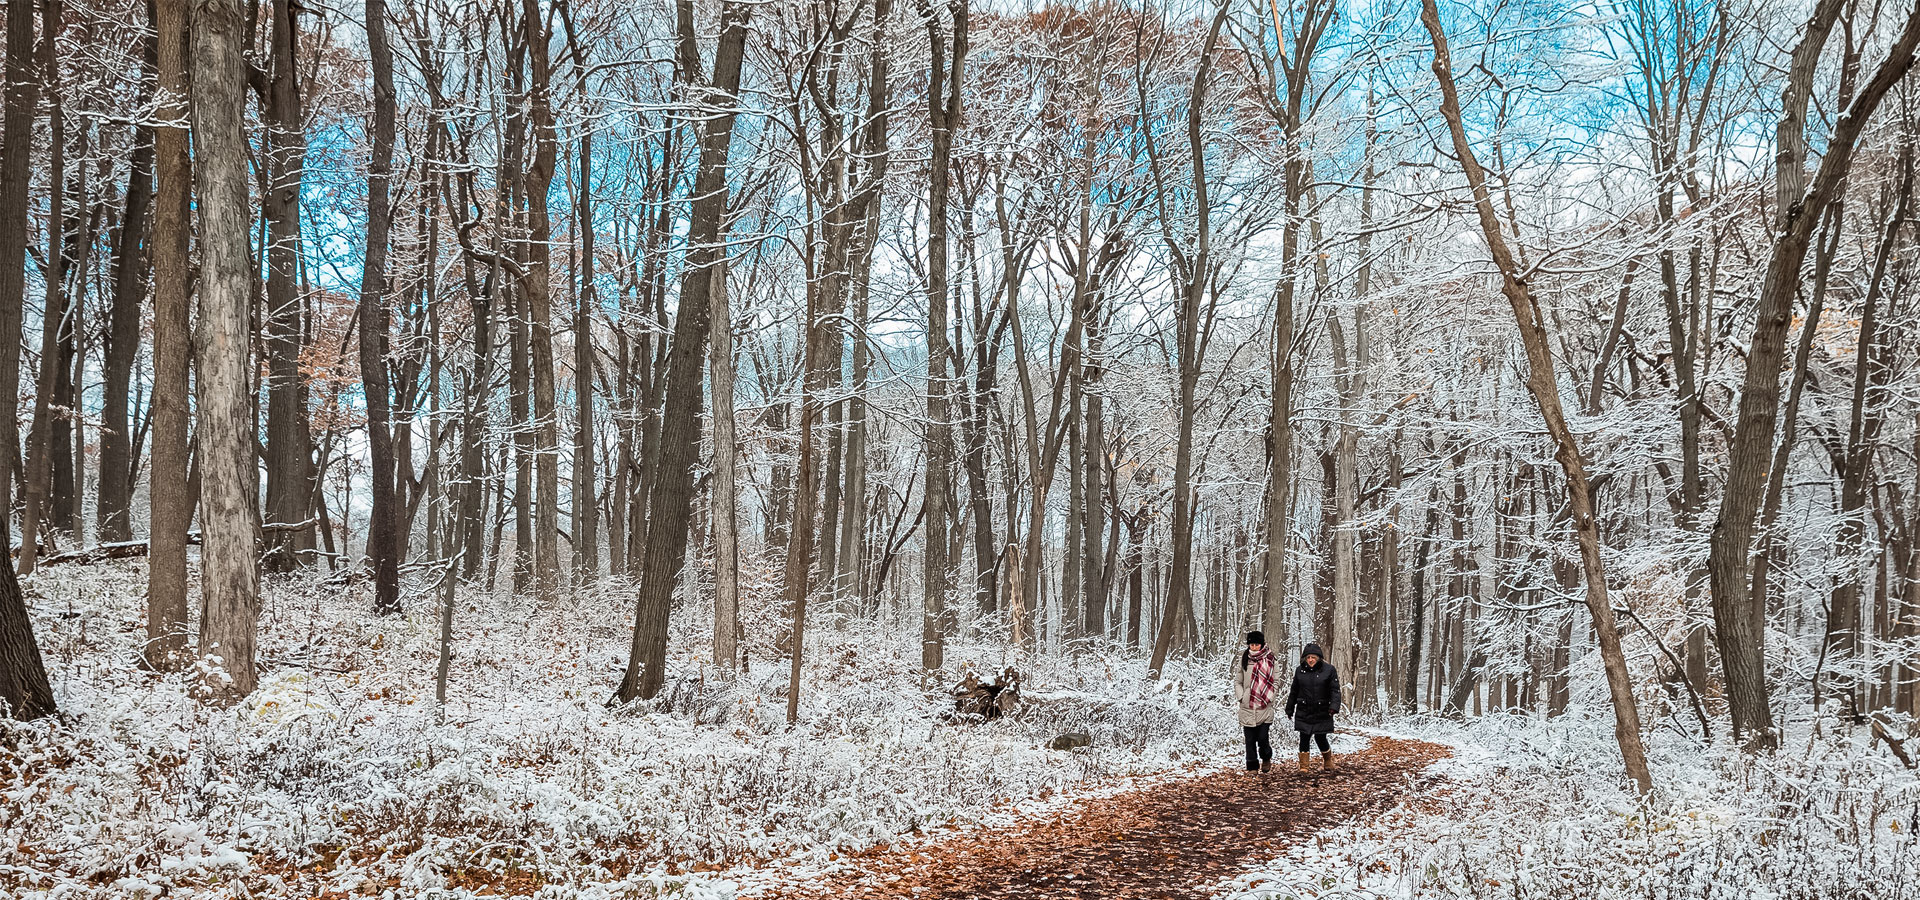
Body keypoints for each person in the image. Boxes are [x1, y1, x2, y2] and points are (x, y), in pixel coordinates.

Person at [1284, 642, 1341, 774]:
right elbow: (1294, 691)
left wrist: (1334, 707)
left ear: (1319, 658)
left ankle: (1328, 761)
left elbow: (1335, 690)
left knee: (1320, 737)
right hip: (1304, 709)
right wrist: (1289, 708)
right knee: (1304, 736)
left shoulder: (1329, 670)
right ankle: (1304, 766)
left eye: (1313, 657)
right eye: (1308, 657)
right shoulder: (1300, 670)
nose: (1310, 660)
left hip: (1322, 710)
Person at [1232, 631, 1278, 774]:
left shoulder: (1271, 659)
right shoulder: (1244, 659)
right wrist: (1241, 697)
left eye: (1256, 644)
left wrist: (1270, 697)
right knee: (1250, 739)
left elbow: (1276, 681)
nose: (1254, 647)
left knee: (1263, 738)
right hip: (1247, 706)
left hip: (1264, 706)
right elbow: (1237, 681)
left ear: (1262, 644)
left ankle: (1266, 757)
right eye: (1251, 644)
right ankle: (1252, 766)